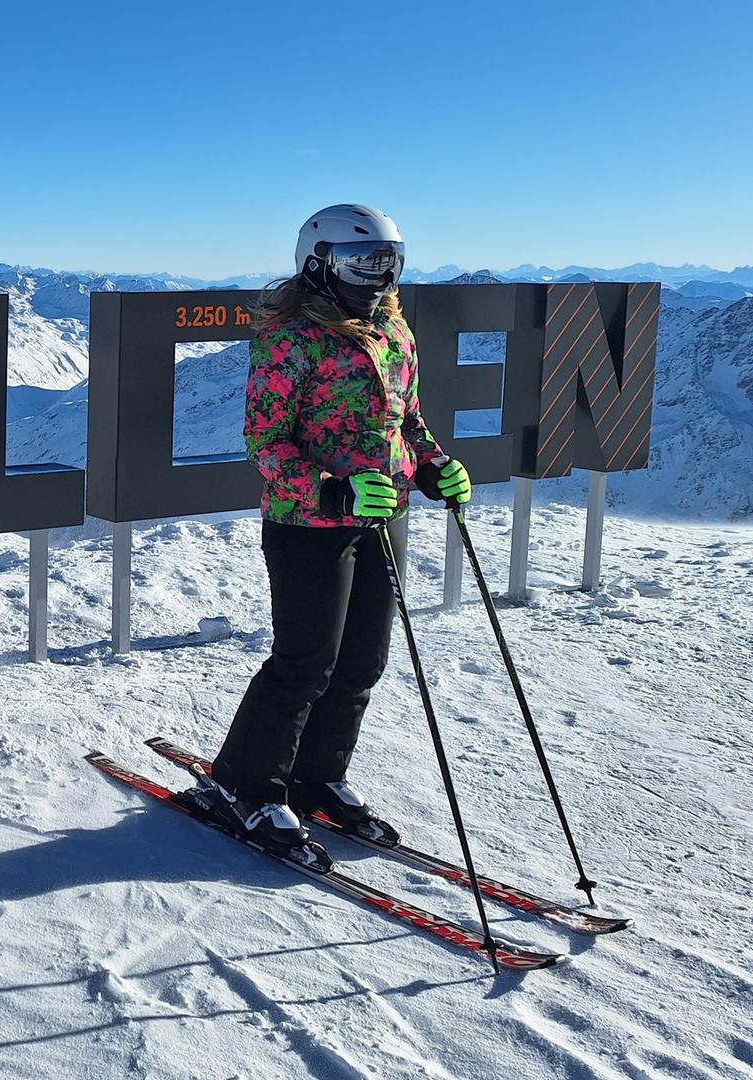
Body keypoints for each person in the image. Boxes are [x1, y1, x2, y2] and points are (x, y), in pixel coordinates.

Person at [197, 204, 472, 867]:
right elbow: (265, 442)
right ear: (318, 264)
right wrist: (329, 486)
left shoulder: (394, 331)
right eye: (362, 263)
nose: (378, 278)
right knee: (305, 663)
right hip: (309, 524)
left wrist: (432, 462)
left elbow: (406, 417)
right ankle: (246, 783)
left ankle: (318, 776)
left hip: (383, 515)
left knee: (361, 663)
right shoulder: (291, 337)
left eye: (390, 263)